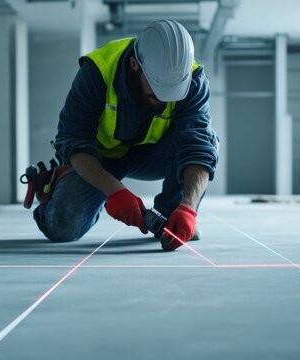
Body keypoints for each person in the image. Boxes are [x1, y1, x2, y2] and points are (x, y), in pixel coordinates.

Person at [29, 19, 218, 251]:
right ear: (134, 64)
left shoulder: (194, 79)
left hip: (154, 155)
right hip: (101, 158)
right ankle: (57, 182)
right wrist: (115, 191)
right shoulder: (97, 71)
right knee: (62, 228)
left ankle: (173, 212)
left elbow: (198, 147)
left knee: (207, 139)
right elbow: (72, 140)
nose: (164, 98)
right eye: (157, 88)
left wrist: (188, 207)